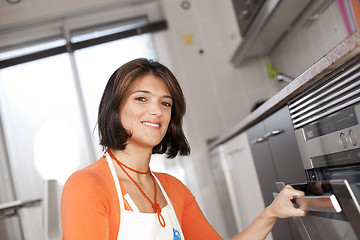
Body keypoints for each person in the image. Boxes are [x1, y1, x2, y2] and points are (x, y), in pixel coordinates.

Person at [61, 58, 306, 240]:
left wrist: (272, 213)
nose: (156, 110)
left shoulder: (172, 189)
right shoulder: (88, 185)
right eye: (141, 98)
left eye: (165, 103)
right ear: (114, 107)